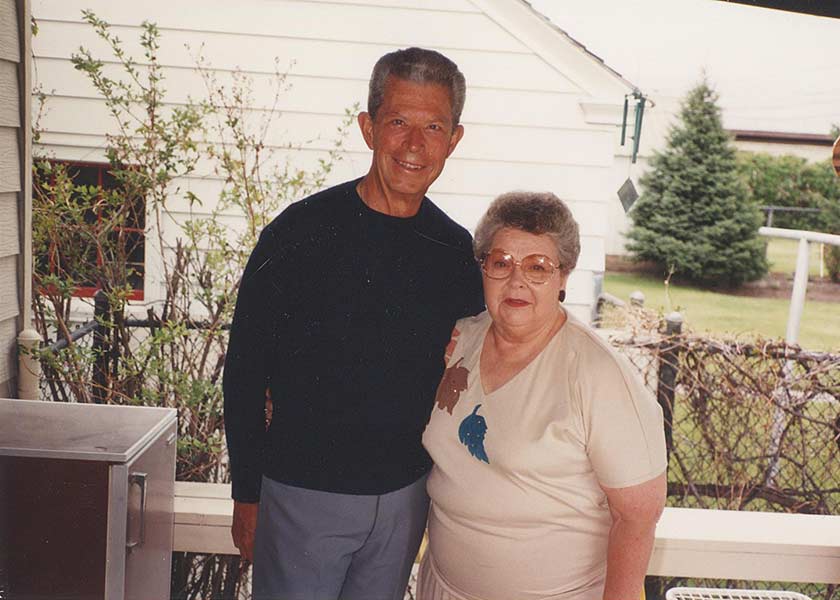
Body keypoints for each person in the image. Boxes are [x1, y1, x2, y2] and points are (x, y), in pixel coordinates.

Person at [223, 47, 484, 600]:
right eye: (398, 123)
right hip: (300, 497)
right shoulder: (296, 237)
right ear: (368, 128)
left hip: (405, 499)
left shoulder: (456, 252)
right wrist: (246, 494)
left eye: (433, 127)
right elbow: (244, 372)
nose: (415, 145)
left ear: (454, 139)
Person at [418, 191, 667, 600]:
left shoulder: (597, 373)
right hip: (443, 589)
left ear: (564, 276)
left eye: (538, 267)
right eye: (501, 263)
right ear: (482, 268)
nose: (517, 281)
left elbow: (638, 515)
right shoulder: (459, 339)